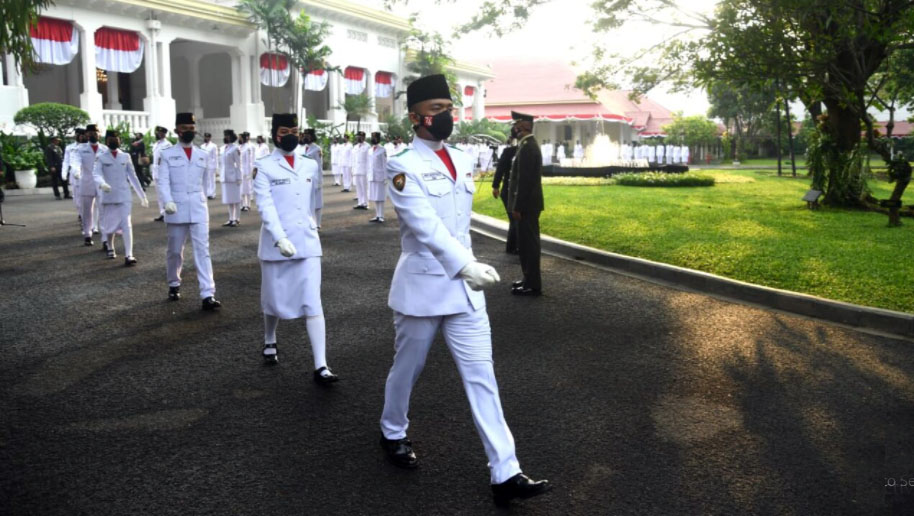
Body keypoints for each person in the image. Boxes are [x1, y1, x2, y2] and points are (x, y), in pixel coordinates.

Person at [378, 74, 550, 507]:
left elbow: (457, 223)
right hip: (424, 285)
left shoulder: (459, 157)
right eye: (436, 109)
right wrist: (465, 266)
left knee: (482, 376)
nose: (446, 116)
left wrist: (468, 269)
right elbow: (425, 227)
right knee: (408, 368)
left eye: (448, 107)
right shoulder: (402, 164)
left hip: (465, 292)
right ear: (415, 117)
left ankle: (505, 471)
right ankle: (392, 430)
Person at [253, 113, 338, 384]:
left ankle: (321, 366)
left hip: (307, 241)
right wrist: (279, 238)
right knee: (272, 298)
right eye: (283, 130)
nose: (289, 135)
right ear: (274, 133)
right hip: (276, 244)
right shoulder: (263, 166)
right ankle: (269, 338)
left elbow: (315, 200)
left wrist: (315, 225)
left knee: (313, 300)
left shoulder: (310, 165)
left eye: (294, 129)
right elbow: (265, 206)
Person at [157, 112, 221, 310]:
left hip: (198, 207)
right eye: (185, 128)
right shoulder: (167, 154)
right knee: (175, 250)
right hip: (175, 207)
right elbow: (163, 181)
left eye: (192, 129)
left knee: (203, 251)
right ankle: (174, 283)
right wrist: (167, 201)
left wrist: (206, 197)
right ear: (177, 130)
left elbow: (204, 182)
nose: (189, 132)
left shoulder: (202, 154)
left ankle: (207, 294)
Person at [93, 129, 148, 264]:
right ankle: (110, 246)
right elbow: (96, 174)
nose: (114, 141)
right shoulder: (101, 157)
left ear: (120, 141)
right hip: (108, 196)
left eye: (117, 139)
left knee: (126, 223)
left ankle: (129, 255)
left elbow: (133, 177)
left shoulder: (125, 156)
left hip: (124, 196)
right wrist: (102, 183)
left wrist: (142, 196)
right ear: (106, 141)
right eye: (111, 139)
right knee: (109, 224)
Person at [508, 111, 544, 297]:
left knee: (529, 245)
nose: (515, 128)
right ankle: (528, 278)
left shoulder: (528, 147)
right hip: (528, 204)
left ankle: (532, 284)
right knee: (526, 244)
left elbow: (524, 181)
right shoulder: (526, 145)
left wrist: (517, 206)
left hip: (527, 206)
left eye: (517, 125)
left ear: (526, 126)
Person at [72, 124, 107, 246]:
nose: (93, 135)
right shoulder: (80, 149)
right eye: (90, 133)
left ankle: (105, 237)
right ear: (86, 134)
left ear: (99, 134)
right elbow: (75, 161)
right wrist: (76, 171)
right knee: (87, 211)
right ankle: (87, 234)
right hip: (86, 182)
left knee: (103, 210)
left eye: (95, 132)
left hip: (102, 184)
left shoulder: (105, 149)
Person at [492, 133, 519, 254]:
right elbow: (500, 169)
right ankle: (513, 247)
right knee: (514, 220)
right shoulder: (509, 152)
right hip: (508, 190)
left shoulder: (522, 151)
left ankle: (513, 246)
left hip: (516, 191)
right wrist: (495, 186)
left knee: (515, 220)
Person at [298, 128, 324, 228]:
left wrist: (319, 182)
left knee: (317, 202)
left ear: (312, 137)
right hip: (304, 179)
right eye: (304, 135)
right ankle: (309, 221)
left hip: (314, 179)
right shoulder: (302, 148)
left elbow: (319, 166)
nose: (305, 137)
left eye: (307, 135)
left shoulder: (317, 149)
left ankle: (318, 223)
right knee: (307, 201)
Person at [151, 126, 173, 221]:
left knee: (164, 193)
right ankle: (162, 213)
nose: (158, 134)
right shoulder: (156, 144)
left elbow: (168, 158)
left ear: (164, 134)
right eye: (157, 132)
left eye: (160, 133)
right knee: (159, 194)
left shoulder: (167, 144)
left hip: (163, 172)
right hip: (156, 172)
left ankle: (168, 212)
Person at [221, 129, 242, 226]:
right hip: (226, 177)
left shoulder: (235, 148)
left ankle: (236, 218)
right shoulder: (224, 148)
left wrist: (239, 177)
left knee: (236, 199)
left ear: (231, 137)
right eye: (225, 135)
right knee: (229, 200)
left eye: (227, 135)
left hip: (233, 177)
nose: (225, 137)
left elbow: (238, 164)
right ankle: (230, 218)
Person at [63, 129, 85, 215]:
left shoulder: (89, 147)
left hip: (87, 174)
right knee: (77, 197)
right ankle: (80, 213)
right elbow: (66, 161)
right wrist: (64, 173)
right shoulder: (70, 147)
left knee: (88, 196)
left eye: (82, 135)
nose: (80, 137)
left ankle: (87, 216)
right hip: (74, 174)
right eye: (78, 135)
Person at [368, 131, 387, 222]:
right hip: (372, 176)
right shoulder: (370, 150)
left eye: (375, 138)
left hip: (380, 176)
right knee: (375, 196)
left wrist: (385, 177)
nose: (373, 139)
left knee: (380, 196)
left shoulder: (382, 150)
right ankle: (377, 215)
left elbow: (385, 164)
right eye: (372, 137)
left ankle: (381, 215)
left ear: (378, 139)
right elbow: (369, 164)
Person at [350, 131, 370, 210]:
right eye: (357, 136)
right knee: (358, 187)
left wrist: (369, 171)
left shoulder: (367, 146)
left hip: (364, 170)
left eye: (360, 137)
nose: (358, 138)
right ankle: (360, 203)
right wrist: (352, 169)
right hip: (356, 170)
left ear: (364, 137)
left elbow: (369, 160)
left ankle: (366, 203)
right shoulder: (355, 147)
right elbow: (353, 159)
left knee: (364, 187)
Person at [200, 132, 219, 199]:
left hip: (211, 165)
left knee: (212, 180)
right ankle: (207, 193)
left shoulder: (213, 146)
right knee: (206, 180)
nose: (206, 138)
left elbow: (215, 157)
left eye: (207, 137)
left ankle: (212, 194)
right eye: (205, 137)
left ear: (210, 138)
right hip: (204, 165)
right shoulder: (202, 146)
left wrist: (216, 167)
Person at [239, 132, 255, 211]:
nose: (239, 139)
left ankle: (247, 204)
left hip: (246, 170)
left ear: (244, 138)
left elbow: (249, 161)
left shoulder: (247, 148)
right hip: (240, 170)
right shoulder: (239, 147)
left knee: (247, 188)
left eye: (240, 137)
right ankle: (242, 204)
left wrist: (249, 172)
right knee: (241, 188)